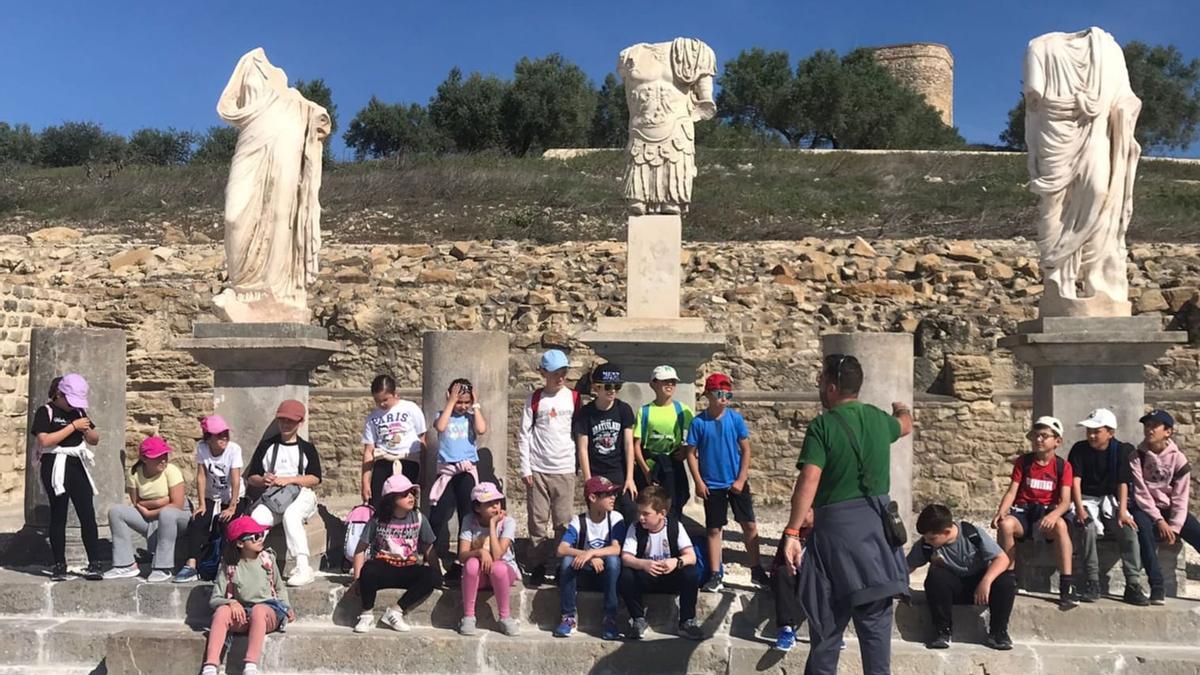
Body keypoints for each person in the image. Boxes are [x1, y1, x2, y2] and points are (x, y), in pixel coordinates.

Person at [781, 354, 913, 675]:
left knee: (826, 634)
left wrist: (792, 532)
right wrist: (902, 410)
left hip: (835, 540)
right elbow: (905, 425)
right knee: (876, 636)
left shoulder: (823, 426)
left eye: (820, 381)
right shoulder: (879, 420)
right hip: (876, 539)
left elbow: (809, 479)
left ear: (831, 387)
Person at [685, 372, 764, 592]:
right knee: (714, 528)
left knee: (748, 524)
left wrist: (742, 477)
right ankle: (714, 572)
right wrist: (698, 481)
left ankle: (756, 569)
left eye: (728, 394)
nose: (724, 398)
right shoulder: (699, 422)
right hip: (712, 483)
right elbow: (691, 453)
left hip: (734, 481)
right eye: (720, 393)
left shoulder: (735, 419)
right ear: (709, 395)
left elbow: (746, 449)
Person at [993, 416, 1077, 609]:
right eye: (1035, 436)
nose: (1038, 440)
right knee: (1006, 525)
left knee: (1061, 526)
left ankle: (1067, 584)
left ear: (1057, 441)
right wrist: (1001, 511)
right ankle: (1009, 578)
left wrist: (1054, 515)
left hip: (1047, 512)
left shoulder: (1063, 466)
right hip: (1024, 511)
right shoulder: (1024, 462)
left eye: (1044, 436)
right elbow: (1012, 490)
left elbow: (1065, 501)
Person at [908, 504, 1017, 651]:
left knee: (1006, 581)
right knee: (936, 575)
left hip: (980, 590)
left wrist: (986, 581)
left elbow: (1002, 559)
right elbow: (906, 567)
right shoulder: (926, 545)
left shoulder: (971, 534)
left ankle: (998, 632)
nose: (928, 542)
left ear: (946, 532)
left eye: (932, 538)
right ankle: (942, 632)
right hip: (951, 591)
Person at [1068, 408, 1148, 605]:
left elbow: (1123, 482)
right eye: (1089, 431)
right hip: (1086, 498)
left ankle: (1133, 583)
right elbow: (1075, 481)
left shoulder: (1122, 450)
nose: (1092, 435)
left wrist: (1122, 511)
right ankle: (1092, 580)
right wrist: (1079, 508)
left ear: (1110, 432)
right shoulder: (1079, 449)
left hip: (1110, 499)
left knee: (1128, 529)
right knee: (1087, 528)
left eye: (1097, 431)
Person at [200, 516, 294, 675]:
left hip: (268, 611)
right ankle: (210, 666)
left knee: (258, 610)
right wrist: (230, 603)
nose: (260, 539)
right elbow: (215, 599)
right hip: (243, 613)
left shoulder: (267, 559)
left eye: (261, 535)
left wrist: (287, 607)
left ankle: (251, 665)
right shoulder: (229, 565)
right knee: (222, 612)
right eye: (255, 536)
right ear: (240, 543)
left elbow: (279, 587)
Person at [518, 350, 580, 588]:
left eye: (563, 371)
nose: (560, 376)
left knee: (563, 521)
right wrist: (526, 468)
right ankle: (538, 565)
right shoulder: (535, 399)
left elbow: (578, 433)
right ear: (543, 372)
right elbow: (524, 434)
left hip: (564, 467)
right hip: (538, 469)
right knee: (537, 521)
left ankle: (560, 565)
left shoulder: (573, 398)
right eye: (555, 372)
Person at [32, 374, 102, 581]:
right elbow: (44, 440)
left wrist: (86, 430)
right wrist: (72, 427)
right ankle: (59, 564)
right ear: (59, 394)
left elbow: (95, 439)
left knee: (87, 513)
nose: (72, 406)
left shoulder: (79, 412)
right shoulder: (46, 412)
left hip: (76, 463)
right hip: (55, 464)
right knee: (59, 513)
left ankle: (95, 563)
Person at [245, 400, 322, 586]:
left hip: (301, 493)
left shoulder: (307, 448)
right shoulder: (267, 446)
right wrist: (264, 480)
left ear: (300, 423)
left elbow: (315, 478)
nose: (286, 425)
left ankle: (303, 566)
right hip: (274, 495)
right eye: (282, 421)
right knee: (257, 517)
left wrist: (290, 479)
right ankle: (252, 563)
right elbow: (251, 476)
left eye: (291, 421)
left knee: (291, 515)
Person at [349, 474, 439, 633]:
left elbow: (429, 548)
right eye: (404, 494)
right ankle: (366, 615)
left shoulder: (418, 518)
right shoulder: (378, 520)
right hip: (384, 568)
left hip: (408, 568)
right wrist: (357, 578)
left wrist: (437, 573)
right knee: (368, 570)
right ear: (391, 499)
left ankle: (396, 611)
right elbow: (360, 549)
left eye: (412, 493)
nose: (410, 497)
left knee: (431, 575)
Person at [1130, 409, 1200, 605]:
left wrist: (1175, 527)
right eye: (1147, 426)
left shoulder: (1179, 460)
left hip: (1170, 508)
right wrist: (1159, 520)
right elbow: (1141, 493)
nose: (1149, 430)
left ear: (1167, 431)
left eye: (1154, 426)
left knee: (1196, 531)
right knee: (1143, 532)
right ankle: (1157, 586)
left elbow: (1180, 497)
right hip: (1146, 508)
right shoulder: (1137, 457)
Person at [619, 485, 703, 640]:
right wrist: (644, 564)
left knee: (691, 572)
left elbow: (691, 556)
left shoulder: (675, 527)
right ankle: (638, 619)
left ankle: (687, 621)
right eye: (639, 513)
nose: (641, 517)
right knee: (626, 575)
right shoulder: (635, 528)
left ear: (662, 514)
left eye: (646, 514)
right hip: (646, 576)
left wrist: (675, 562)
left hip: (669, 576)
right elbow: (626, 557)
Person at [103, 436, 191, 582]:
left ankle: (163, 567)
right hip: (149, 517)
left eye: (164, 455)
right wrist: (162, 501)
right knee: (116, 512)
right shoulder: (135, 474)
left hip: (177, 517)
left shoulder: (171, 470)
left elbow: (177, 504)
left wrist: (153, 509)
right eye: (157, 457)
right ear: (144, 459)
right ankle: (125, 564)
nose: (163, 460)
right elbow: (137, 503)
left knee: (167, 513)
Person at [553, 476, 627, 640]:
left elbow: (616, 548)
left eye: (614, 493)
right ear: (593, 498)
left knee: (614, 561)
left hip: (607, 574)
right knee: (566, 562)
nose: (613, 497)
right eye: (608, 495)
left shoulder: (615, 518)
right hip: (584, 573)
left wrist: (592, 553)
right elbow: (561, 549)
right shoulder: (578, 521)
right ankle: (568, 617)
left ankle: (610, 618)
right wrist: (586, 556)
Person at [176, 415, 245, 582]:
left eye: (225, 434)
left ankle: (226, 565)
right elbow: (201, 476)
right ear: (209, 438)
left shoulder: (233, 449)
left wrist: (233, 506)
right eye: (218, 435)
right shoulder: (202, 448)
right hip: (212, 495)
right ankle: (191, 564)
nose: (223, 438)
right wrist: (201, 504)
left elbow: (235, 478)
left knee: (226, 523)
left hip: (233, 497)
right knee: (197, 521)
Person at [430, 378, 484, 584]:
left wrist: (476, 405)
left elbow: (481, 429)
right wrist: (450, 402)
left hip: (466, 472)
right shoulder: (441, 415)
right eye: (459, 402)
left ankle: (463, 561)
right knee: (437, 513)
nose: (462, 406)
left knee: (467, 514)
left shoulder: (471, 417)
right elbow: (441, 427)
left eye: (466, 402)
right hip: (446, 472)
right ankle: (430, 556)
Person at [575, 362, 638, 525]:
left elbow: (628, 444)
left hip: (619, 470)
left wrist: (630, 477)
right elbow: (582, 448)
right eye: (608, 386)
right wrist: (588, 480)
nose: (613, 391)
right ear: (597, 388)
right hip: (597, 470)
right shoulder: (586, 413)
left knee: (628, 511)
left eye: (617, 386)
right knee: (599, 515)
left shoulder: (623, 409)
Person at [458, 482, 520, 636]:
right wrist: (479, 552)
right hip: (480, 573)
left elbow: (498, 556)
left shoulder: (508, 522)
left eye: (497, 502)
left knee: (498, 567)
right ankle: (469, 616)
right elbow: (462, 555)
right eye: (489, 503)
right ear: (477, 507)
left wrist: (493, 525)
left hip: (503, 572)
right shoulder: (469, 520)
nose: (495, 507)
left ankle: (505, 617)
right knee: (471, 564)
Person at [632, 365, 694, 519]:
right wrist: (646, 470)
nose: (670, 385)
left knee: (677, 499)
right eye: (665, 381)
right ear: (653, 384)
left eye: (672, 382)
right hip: (651, 464)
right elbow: (636, 444)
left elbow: (695, 436)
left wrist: (686, 451)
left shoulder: (682, 410)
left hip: (672, 464)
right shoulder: (645, 411)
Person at [361, 374, 425, 508]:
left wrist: (424, 470)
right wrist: (365, 483)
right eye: (377, 401)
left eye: (385, 399)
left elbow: (423, 439)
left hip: (408, 460)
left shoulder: (410, 408)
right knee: (379, 504)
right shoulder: (372, 418)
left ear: (395, 393)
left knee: (406, 503)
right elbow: (368, 451)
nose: (382, 404)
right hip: (383, 461)